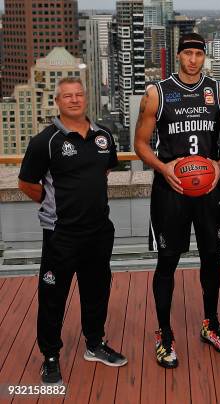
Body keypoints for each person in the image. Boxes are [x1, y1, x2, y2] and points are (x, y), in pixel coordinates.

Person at [18, 77, 127, 385]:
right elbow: (26, 183)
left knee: (97, 291)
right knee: (53, 296)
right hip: (61, 234)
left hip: (98, 231)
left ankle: (94, 343)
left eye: (79, 94)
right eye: (68, 96)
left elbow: (104, 170)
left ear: (86, 98)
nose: (75, 100)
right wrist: (54, 203)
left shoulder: (103, 135)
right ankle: (50, 357)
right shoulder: (46, 141)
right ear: (58, 101)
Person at [134, 33, 220, 368]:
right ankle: (164, 333)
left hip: (208, 190)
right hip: (171, 190)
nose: (192, 59)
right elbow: (140, 144)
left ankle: (210, 323)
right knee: (167, 261)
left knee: (211, 258)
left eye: (198, 54)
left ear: (204, 57)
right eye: (187, 53)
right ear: (178, 56)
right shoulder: (157, 93)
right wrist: (164, 168)